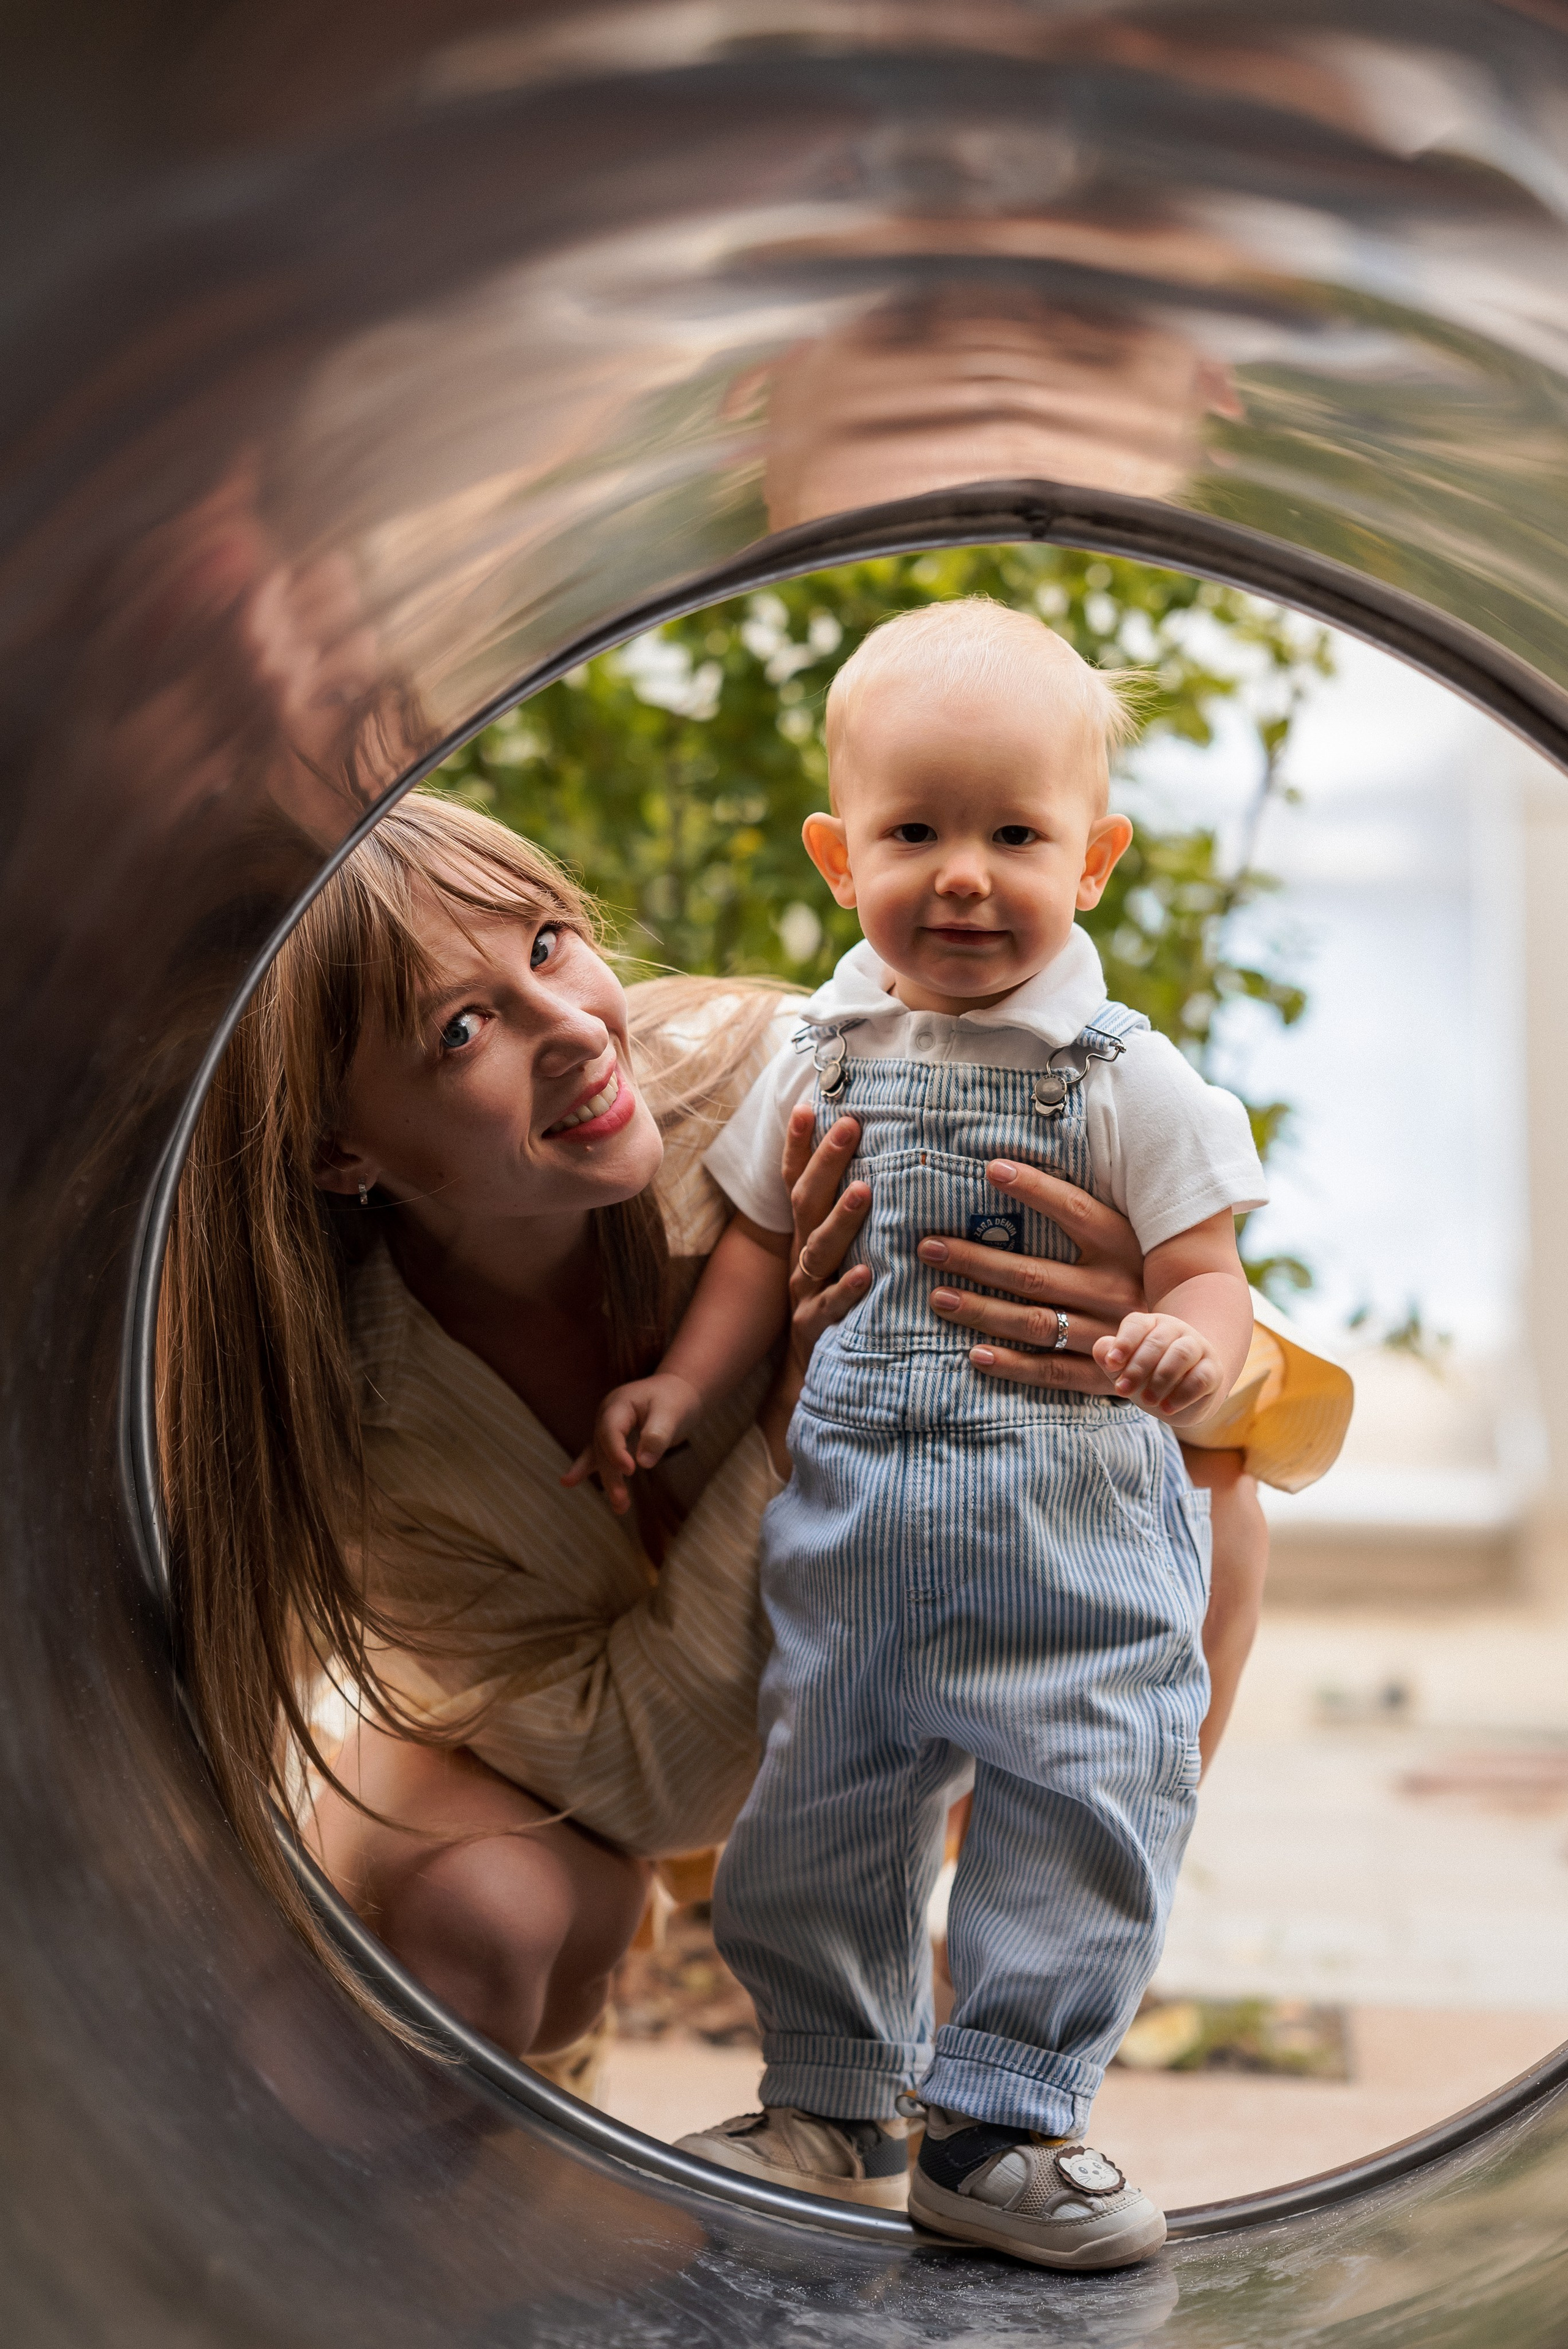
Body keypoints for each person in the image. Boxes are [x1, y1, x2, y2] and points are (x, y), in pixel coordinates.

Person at [159, 788, 1225, 2102]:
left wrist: (1136, 1300)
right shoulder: (350, 1416)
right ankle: (542, 2091)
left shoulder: (789, 1080)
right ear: (339, 1149)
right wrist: (790, 1415)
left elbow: (1251, 1394)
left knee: (1203, 1485)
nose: (571, 1029)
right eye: (461, 1029)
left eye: (548, 943)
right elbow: (640, 1775)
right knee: (443, 1941)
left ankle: (1033, 1944)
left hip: (925, 1672)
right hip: (579, 1775)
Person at [573, 600, 1346, 2268]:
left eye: (1016, 835)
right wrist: (687, 1388)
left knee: (1078, 1812)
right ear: (839, 856)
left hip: (1072, 1549)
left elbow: (1209, 1274)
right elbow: (763, 1246)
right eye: (915, 832)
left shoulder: (1129, 1079)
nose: (966, 877)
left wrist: (1186, 1349)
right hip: (854, 1539)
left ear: (1097, 858)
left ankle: (1004, 2122)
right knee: (818, 1811)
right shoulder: (818, 1051)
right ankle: (832, 2098)